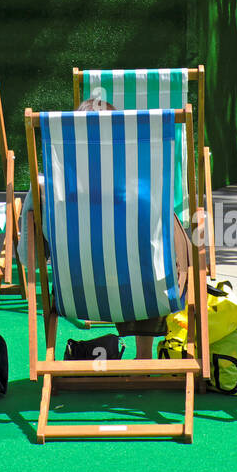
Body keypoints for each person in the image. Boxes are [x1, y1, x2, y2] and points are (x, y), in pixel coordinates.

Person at [19, 95, 191, 360]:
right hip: (143, 292)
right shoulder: (142, 188)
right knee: (157, 252)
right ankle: (143, 355)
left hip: (78, 292)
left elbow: (29, 258)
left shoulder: (45, 189)